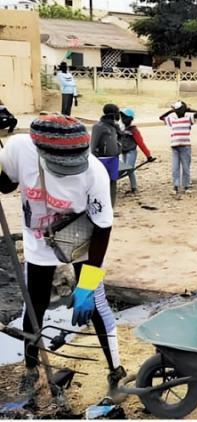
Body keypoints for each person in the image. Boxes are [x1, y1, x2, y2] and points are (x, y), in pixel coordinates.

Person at [0, 114, 126, 395]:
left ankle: (116, 369)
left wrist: (88, 284)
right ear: (41, 152)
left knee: (97, 305)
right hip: (39, 242)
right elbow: (6, 185)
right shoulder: (19, 148)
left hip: (82, 242)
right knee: (34, 305)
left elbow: (103, 228)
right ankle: (32, 369)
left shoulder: (94, 172)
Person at [159, 101, 197, 195]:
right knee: (175, 167)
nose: (175, 112)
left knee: (186, 167)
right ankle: (176, 186)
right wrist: (171, 111)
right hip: (175, 147)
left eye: (176, 110)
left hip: (185, 147)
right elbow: (161, 117)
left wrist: (188, 110)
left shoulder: (188, 119)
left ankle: (186, 186)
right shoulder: (173, 120)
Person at [91, 104, 122, 205]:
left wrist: (119, 148)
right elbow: (93, 145)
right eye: (117, 111)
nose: (119, 114)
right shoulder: (98, 127)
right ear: (112, 113)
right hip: (102, 159)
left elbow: (120, 140)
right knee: (102, 184)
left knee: (113, 183)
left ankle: (111, 207)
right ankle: (102, 205)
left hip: (114, 158)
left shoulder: (114, 126)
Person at [119, 108, 155, 195]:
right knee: (125, 169)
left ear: (131, 119)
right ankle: (133, 187)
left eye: (125, 117)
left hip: (131, 152)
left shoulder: (134, 130)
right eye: (122, 117)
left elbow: (141, 143)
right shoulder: (122, 129)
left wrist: (148, 155)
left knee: (130, 169)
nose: (123, 119)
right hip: (123, 152)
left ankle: (134, 188)